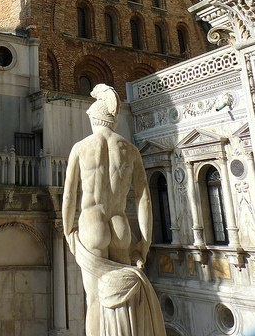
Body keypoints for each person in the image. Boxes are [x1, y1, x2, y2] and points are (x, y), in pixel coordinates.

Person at [62, 83, 166, 336]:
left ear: (95, 119)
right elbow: (144, 198)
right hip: (121, 226)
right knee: (122, 299)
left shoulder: (81, 147)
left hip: (91, 224)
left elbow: (68, 196)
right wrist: (145, 241)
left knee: (94, 301)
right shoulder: (129, 150)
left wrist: (68, 232)